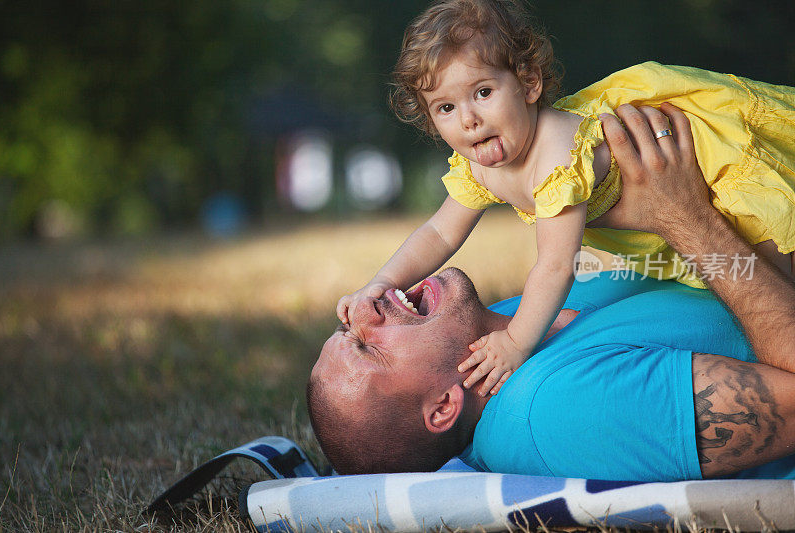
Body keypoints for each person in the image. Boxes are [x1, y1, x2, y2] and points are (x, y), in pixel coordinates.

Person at [308, 103, 795, 481]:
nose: (365, 310)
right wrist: (684, 217)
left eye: (346, 323)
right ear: (442, 407)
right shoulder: (554, 412)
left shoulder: (507, 327)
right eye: (367, 346)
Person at [336, 0, 795, 398]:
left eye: (483, 92)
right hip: (664, 207)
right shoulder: (480, 166)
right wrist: (382, 281)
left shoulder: (555, 155)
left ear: (529, 84)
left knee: (768, 253)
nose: (470, 120)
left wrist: (517, 341)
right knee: (742, 268)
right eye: (447, 108)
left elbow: (556, 265)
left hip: (704, 168)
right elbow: (439, 231)